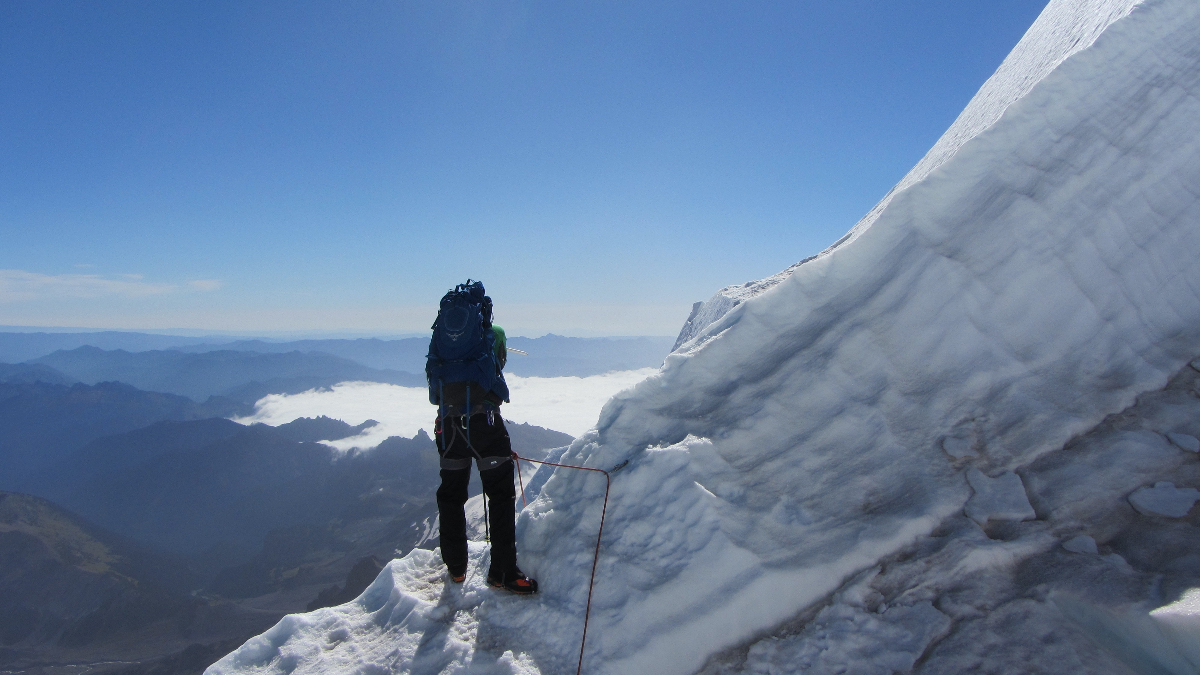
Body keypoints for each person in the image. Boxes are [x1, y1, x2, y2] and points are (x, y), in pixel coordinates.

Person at [427, 281, 537, 594]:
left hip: (448, 426)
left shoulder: (443, 338)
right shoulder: (493, 334)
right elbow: (497, 373)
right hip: (485, 425)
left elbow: (434, 385)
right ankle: (502, 573)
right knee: (500, 496)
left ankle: (457, 570)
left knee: (450, 496)